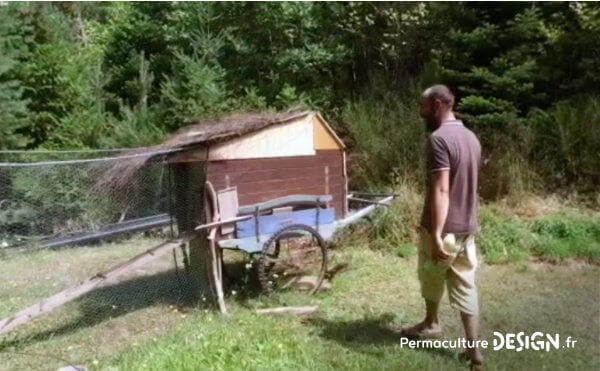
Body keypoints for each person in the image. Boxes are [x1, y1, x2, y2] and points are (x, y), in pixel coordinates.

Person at [400, 84, 483, 370]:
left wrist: (435, 233)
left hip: (445, 229)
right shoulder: (471, 137)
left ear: (437, 105)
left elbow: (442, 190)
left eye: (423, 107)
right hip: (467, 227)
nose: (421, 112)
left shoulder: (439, 139)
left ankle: (432, 323)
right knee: (466, 286)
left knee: (430, 274)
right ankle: (474, 354)